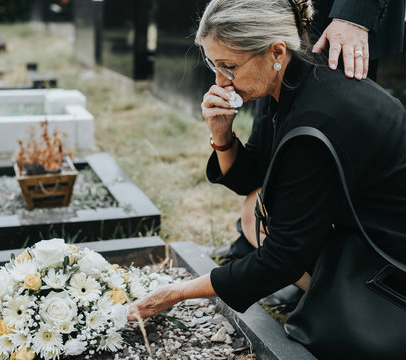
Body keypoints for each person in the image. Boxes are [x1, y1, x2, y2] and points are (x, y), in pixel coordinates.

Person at [128, 0, 406, 357]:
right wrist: (221, 134)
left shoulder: (318, 115)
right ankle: (321, 288)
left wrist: (178, 292)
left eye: (229, 66)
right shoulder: (287, 78)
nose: (220, 80)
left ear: (275, 50)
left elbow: (283, 257)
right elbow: (250, 178)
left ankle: (352, 304)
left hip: (389, 258)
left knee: (267, 224)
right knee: (255, 213)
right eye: (214, 65)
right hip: (362, 228)